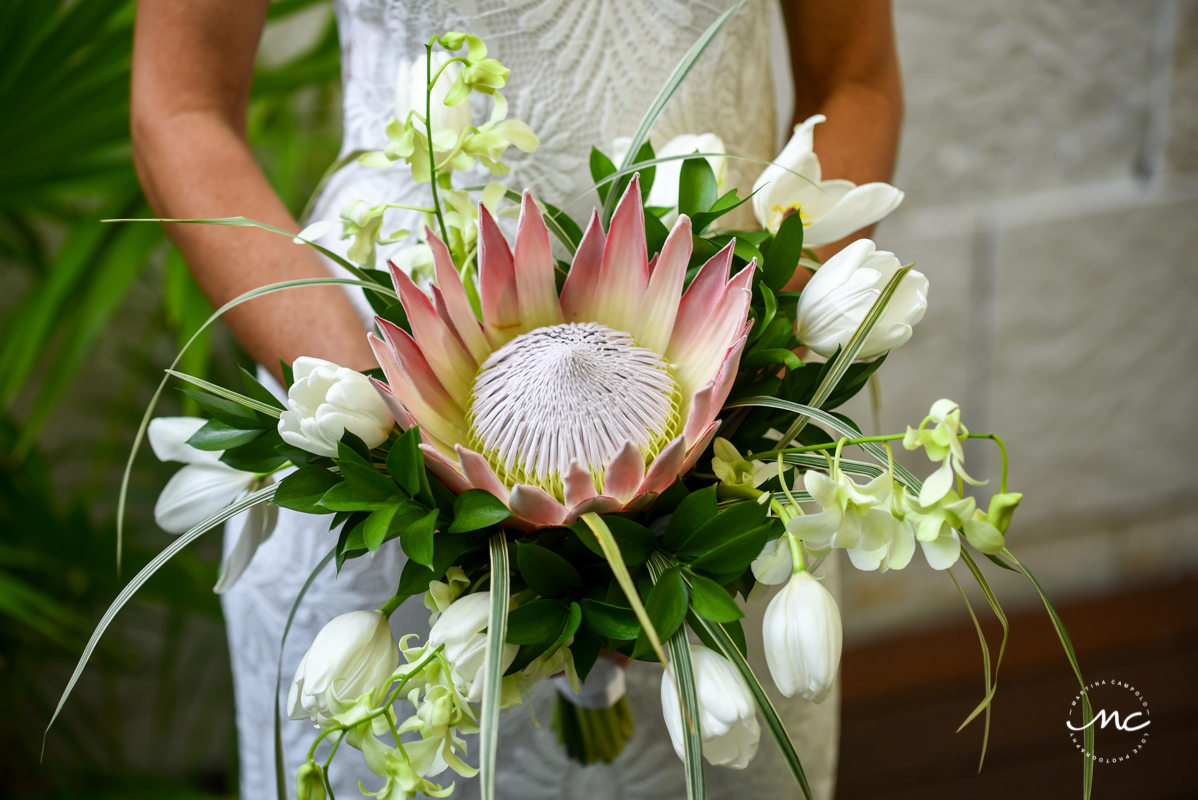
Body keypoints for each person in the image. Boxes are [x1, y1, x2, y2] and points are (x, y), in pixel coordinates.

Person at [131, 1, 902, 798]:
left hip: (730, 425)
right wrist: (380, 425)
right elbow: (180, 107)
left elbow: (854, 76)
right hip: (383, 424)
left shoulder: (740, 410)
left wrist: (758, 368)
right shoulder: (375, 422)